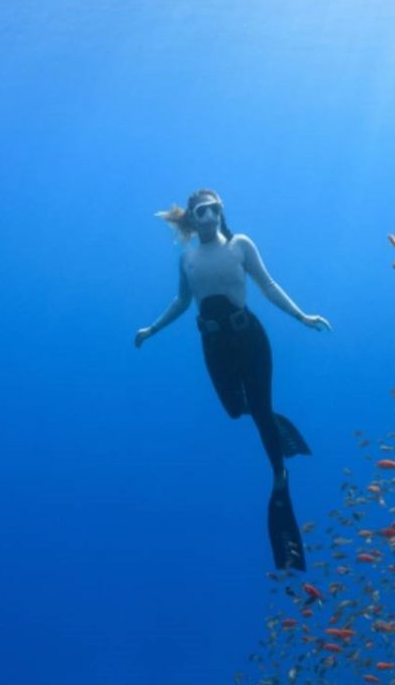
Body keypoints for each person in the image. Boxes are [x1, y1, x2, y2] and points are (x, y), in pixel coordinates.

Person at [136, 189, 331, 571]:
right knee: (233, 410)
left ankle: (279, 473)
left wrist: (303, 317)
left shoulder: (240, 245)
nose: (206, 215)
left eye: (212, 209)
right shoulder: (187, 258)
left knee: (258, 410)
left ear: (220, 212)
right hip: (213, 345)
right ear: (191, 218)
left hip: (249, 338)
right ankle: (271, 421)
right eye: (199, 211)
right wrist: (151, 329)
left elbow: (268, 285)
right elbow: (180, 302)